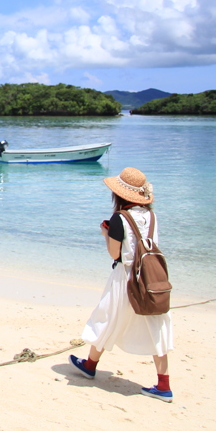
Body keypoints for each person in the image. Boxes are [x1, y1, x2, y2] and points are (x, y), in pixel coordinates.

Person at [69, 167, 174, 402]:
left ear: (119, 194)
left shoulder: (119, 218)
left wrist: (106, 233)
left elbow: (114, 253)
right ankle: (163, 384)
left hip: (126, 276)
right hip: (151, 277)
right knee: (156, 325)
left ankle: (90, 364)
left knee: (108, 317)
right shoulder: (152, 216)